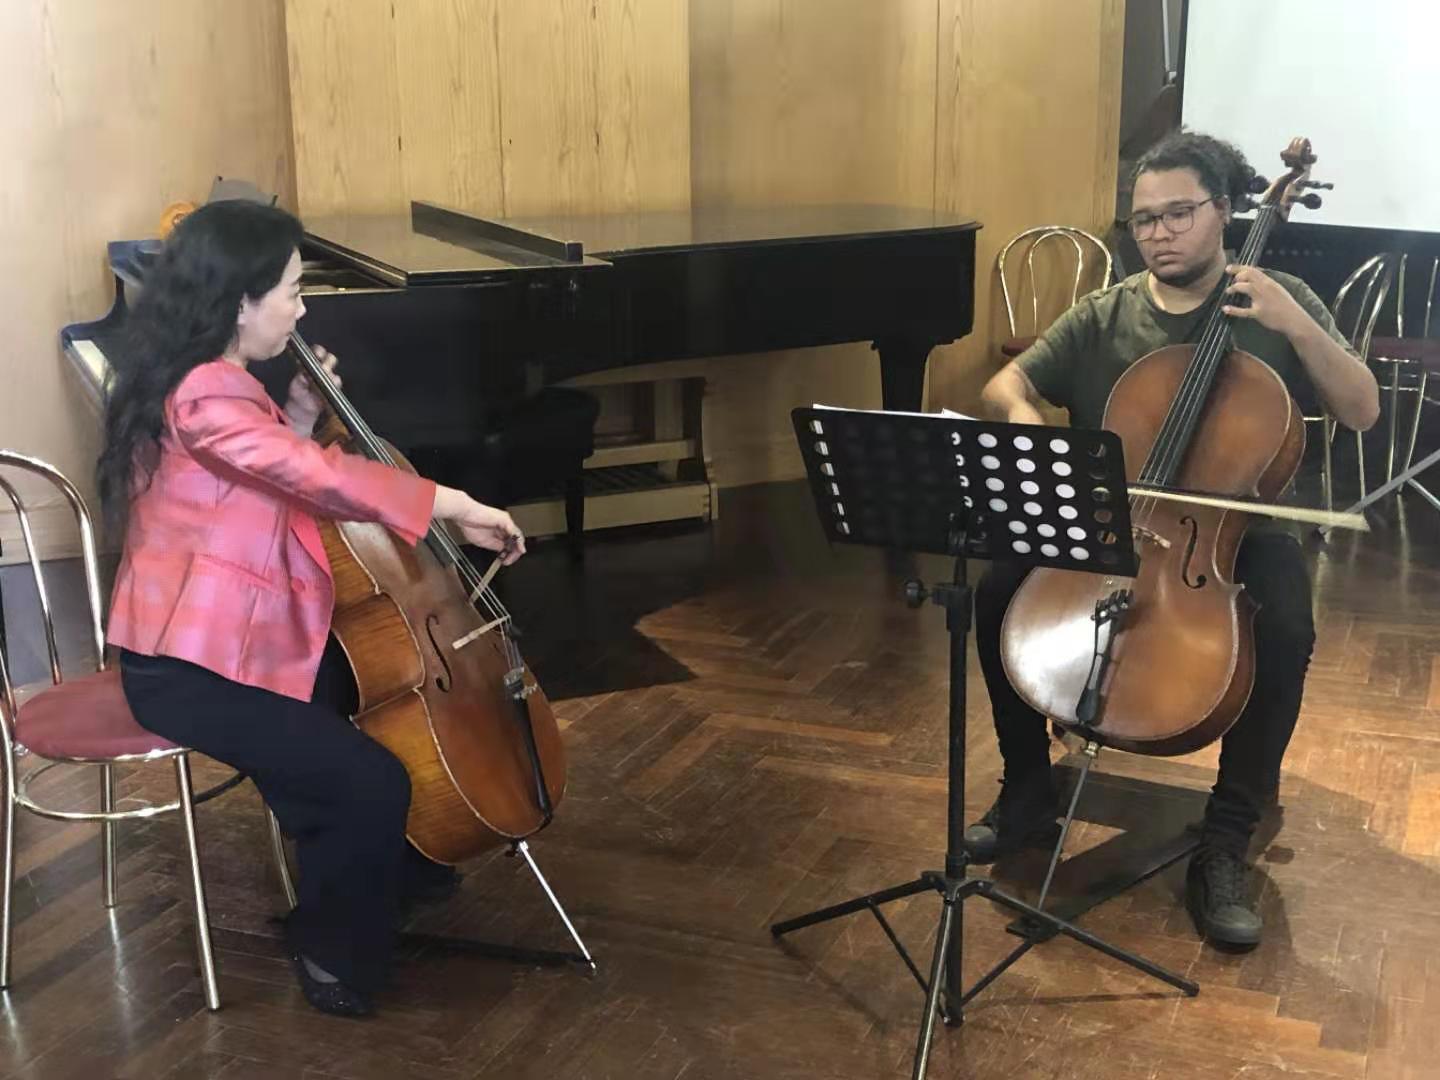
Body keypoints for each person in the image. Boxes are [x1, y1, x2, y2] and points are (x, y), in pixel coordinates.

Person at [97, 199, 526, 1016]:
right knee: (368, 777)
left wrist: (295, 411)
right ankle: (332, 953)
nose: (301, 310)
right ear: (240, 302)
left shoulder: (213, 381)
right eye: (292, 292)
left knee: (366, 706)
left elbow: (261, 470)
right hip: (186, 667)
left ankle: (389, 866)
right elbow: (316, 477)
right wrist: (455, 503)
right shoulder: (202, 398)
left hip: (236, 639)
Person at [966, 131, 1379, 949]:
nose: (1158, 233)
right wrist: (1025, 420)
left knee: (1286, 626)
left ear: (1223, 211)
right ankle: (1027, 793)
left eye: (1178, 214)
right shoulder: (1109, 312)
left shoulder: (1281, 297)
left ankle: (1226, 837)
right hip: (1117, 515)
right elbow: (1005, 384)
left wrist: (1296, 325)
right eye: (1144, 219)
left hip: (1232, 526)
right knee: (996, 590)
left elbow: (1362, 408)